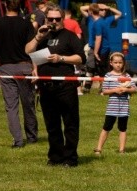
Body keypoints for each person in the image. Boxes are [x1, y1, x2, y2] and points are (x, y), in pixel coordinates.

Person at [25, 4, 86, 167]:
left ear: (62, 19)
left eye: (57, 19)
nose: (53, 22)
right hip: (46, 86)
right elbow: (28, 50)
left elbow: (81, 58)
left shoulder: (70, 36)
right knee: (52, 124)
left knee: (70, 123)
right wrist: (38, 37)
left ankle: (71, 157)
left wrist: (61, 58)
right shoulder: (42, 35)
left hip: (66, 85)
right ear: (46, 19)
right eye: (50, 19)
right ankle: (56, 156)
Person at [0, 0, 38, 149]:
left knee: (11, 106)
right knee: (28, 104)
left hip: (6, 68)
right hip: (24, 67)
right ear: (20, 6)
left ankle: (18, 141)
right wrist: (35, 68)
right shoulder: (26, 23)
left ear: (5, 5)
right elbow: (32, 49)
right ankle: (32, 137)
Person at [94, 52, 136, 154]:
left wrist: (126, 90)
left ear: (123, 63)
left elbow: (135, 89)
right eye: (116, 62)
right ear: (111, 63)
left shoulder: (127, 75)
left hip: (124, 108)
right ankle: (98, 149)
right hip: (111, 108)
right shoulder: (108, 75)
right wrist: (115, 90)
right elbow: (104, 91)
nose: (118, 64)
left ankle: (122, 150)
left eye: (120, 62)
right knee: (106, 127)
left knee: (123, 128)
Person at [94, 3, 122, 78]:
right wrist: (97, 6)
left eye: (105, 10)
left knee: (103, 70)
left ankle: (106, 85)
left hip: (104, 49)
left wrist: (108, 7)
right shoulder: (94, 19)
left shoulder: (107, 20)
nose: (104, 11)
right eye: (101, 10)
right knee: (99, 69)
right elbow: (82, 8)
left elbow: (119, 14)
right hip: (98, 48)